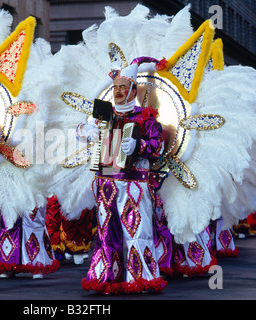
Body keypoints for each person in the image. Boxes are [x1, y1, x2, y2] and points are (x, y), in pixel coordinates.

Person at [78, 58, 167, 294]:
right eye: (115, 87)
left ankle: (141, 279)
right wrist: (85, 130)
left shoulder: (146, 117)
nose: (118, 92)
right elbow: (82, 130)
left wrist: (138, 146)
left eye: (122, 87)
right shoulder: (104, 114)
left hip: (134, 185)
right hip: (106, 183)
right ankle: (108, 276)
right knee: (107, 233)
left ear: (133, 91)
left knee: (137, 231)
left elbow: (157, 148)